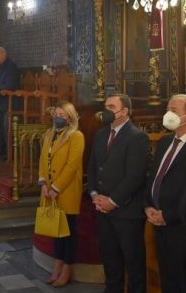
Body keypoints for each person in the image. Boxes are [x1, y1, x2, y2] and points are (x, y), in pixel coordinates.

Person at [87, 93, 149, 293]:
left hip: (126, 212)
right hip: (102, 210)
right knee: (110, 261)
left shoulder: (137, 137)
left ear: (125, 112)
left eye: (111, 107)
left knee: (133, 263)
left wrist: (113, 201)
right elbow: (93, 167)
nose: (106, 111)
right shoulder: (101, 134)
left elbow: (135, 176)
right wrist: (94, 194)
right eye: (106, 106)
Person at [37, 101, 85, 287]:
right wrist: (43, 183)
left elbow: (72, 166)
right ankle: (56, 267)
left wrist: (56, 188)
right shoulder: (50, 133)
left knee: (68, 233)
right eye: (56, 114)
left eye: (62, 115)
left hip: (66, 191)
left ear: (70, 118)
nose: (58, 117)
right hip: (48, 190)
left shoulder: (76, 136)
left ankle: (67, 269)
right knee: (57, 232)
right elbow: (43, 159)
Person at [144, 94, 186, 293]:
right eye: (167, 109)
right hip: (158, 224)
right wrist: (148, 205)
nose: (168, 114)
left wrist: (168, 215)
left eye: (174, 110)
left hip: (180, 225)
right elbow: (153, 177)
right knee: (167, 277)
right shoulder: (165, 142)